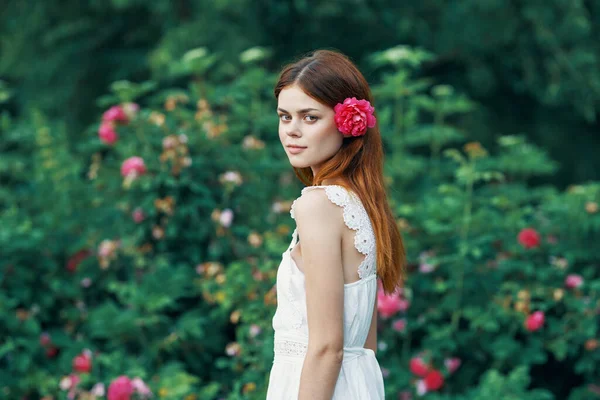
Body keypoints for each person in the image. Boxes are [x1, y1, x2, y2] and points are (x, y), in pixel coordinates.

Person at [266, 49, 406, 400]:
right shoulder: (362, 204)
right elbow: (365, 343)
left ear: (347, 123)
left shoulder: (318, 205)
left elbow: (328, 347)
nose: (292, 131)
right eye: (285, 117)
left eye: (310, 118)